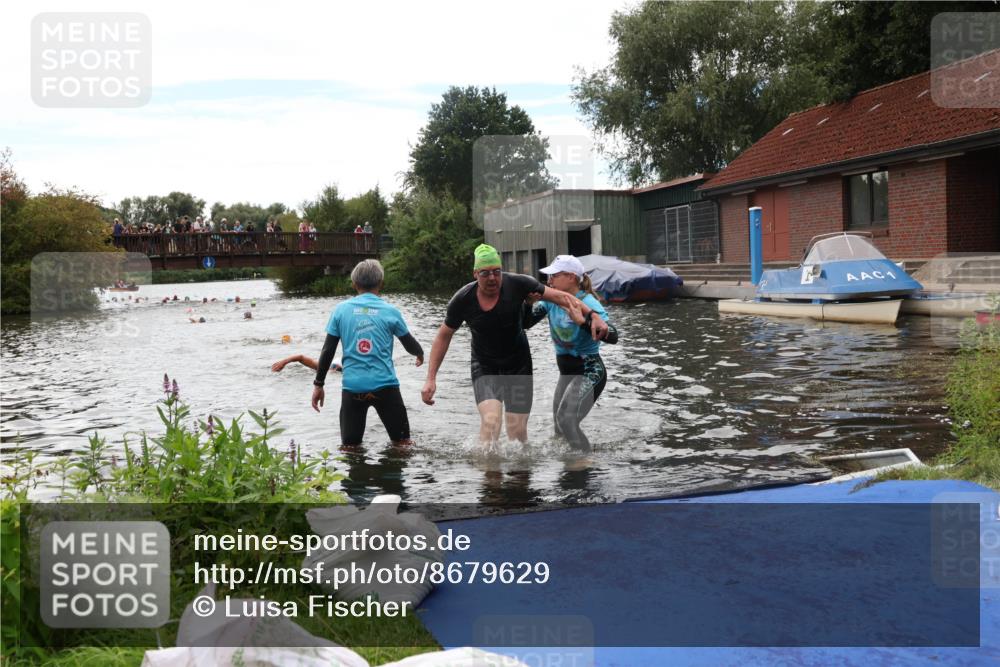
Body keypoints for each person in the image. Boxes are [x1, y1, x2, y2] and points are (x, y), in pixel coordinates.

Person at [421, 244, 608, 446]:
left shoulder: (519, 284)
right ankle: (489, 474)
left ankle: (522, 475)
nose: (492, 278)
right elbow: (443, 336)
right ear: (475, 274)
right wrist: (430, 378)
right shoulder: (462, 300)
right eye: (485, 273)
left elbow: (562, 297)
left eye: (496, 272)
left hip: (518, 365)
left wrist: (592, 315)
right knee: (491, 422)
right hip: (485, 366)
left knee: (517, 434)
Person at [311, 259, 424, 446]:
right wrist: (419, 353)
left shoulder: (340, 311)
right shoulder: (390, 311)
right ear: (381, 283)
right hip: (386, 387)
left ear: (354, 284)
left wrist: (318, 384)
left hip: (353, 388)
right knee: (403, 444)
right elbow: (409, 343)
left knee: (350, 448)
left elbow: (328, 350)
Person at [523, 255, 619, 451]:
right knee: (559, 428)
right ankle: (571, 464)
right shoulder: (551, 301)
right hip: (566, 373)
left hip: (589, 371)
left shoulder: (589, 303)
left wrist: (583, 322)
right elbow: (526, 323)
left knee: (566, 420)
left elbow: (613, 336)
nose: (549, 281)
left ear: (571, 278)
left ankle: (585, 461)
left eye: (554, 276)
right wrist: (528, 304)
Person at [272, 355, 342, 373]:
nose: (334, 369)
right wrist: (283, 362)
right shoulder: (323, 366)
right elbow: (301, 357)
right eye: (333, 366)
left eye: (338, 369)